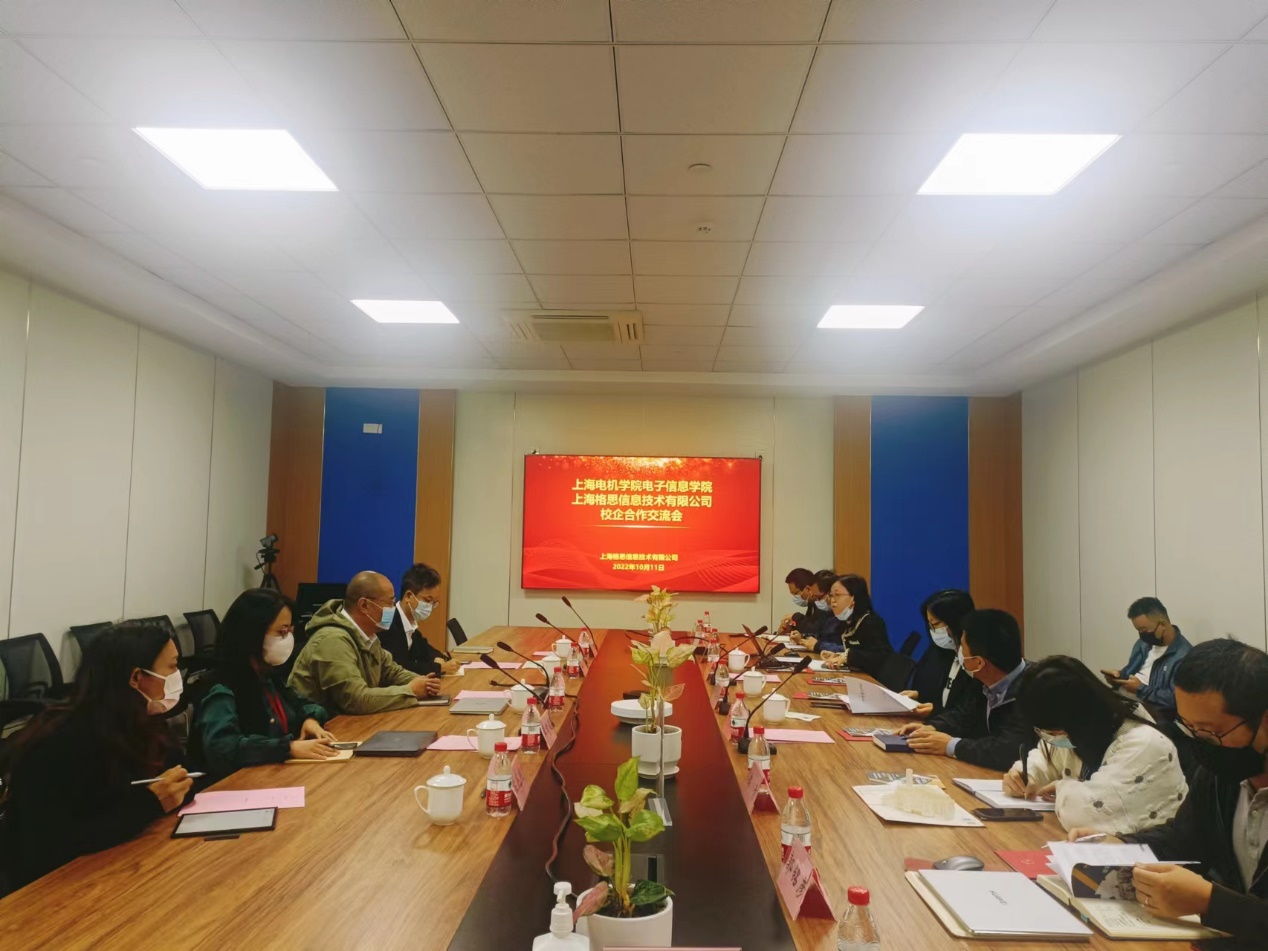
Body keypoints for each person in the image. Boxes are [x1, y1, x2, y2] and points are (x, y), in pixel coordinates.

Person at [1069, 638, 1268, 941]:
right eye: (1190, 728)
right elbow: (1184, 838)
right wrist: (1122, 843)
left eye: (1211, 731)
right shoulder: (1219, 774)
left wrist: (1211, 903)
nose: (1201, 742)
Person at [0, 623, 193, 889]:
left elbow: (183, 775)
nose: (177, 675)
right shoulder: (60, 743)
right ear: (137, 677)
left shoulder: (143, 724)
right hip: (58, 887)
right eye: (172, 666)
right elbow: (54, 842)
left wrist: (176, 788)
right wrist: (150, 802)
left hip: (128, 864)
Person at [1002, 656, 1186, 834]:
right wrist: (1026, 775)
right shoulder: (1078, 734)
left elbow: (1086, 815)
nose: (1050, 738)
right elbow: (1046, 757)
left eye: (1053, 732)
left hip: (1151, 852)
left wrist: (1061, 787)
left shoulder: (1143, 744)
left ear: (1079, 719)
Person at [193, 589, 340, 779]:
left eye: (289, 631)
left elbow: (305, 705)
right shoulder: (221, 685)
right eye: (281, 632)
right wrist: (287, 748)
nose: (287, 639)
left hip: (275, 775)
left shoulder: (266, 675)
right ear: (253, 632)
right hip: (238, 784)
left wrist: (310, 720)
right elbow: (222, 748)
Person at [288, 571, 441, 715]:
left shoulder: (369, 635)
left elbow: (391, 671)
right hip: (321, 726)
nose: (392, 609)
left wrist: (425, 683)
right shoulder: (332, 640)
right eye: (389, 603)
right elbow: (355, 699)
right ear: (364, 605)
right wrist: (410, 691)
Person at [897, 608, 1030, 771]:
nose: (959, 654)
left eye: (962, 648)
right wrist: (933, 727)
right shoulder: (983, 679)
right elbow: (964, 715)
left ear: (979, 663)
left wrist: (951, 745)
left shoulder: (1035, 689)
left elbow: (1008, 750)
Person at [1100, 596, 1191, 720]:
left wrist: (1140, 689)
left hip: (1151, 713)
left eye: (1144, 630)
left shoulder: (1184, 656)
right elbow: (1131, 673)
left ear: (1162, 625)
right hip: (1125, 700)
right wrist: (1118, 677)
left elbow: (1175, 700)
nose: (1142, 635)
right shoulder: (1143, 644)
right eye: (1138, 631)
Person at [901, 589, 976, 717]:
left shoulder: (973, 661)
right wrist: (919, 696)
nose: (933, 632)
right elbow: (943, 696)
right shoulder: (942, 652)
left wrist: (935, 712)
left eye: (936, 624)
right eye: (930, 625)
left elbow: (969, 714)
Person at [381, 563, 460, 677]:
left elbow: (424, 648)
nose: (430, 606)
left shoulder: (410, 623)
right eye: (427, 600)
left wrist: (440, 657)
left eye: (434, 602)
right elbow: (398, 666)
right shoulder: (387, 621)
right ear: (408, 596)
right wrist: (439, 668)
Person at [811, 574, 894, 680]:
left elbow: (879, 657)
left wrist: (847, 656)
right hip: (859, 678)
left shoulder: (870, 622)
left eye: (837, 595)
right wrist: (839, 655)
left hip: (876, 681)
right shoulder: (848, 622)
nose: (832, 600)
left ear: (854, 597)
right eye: (831, 595)